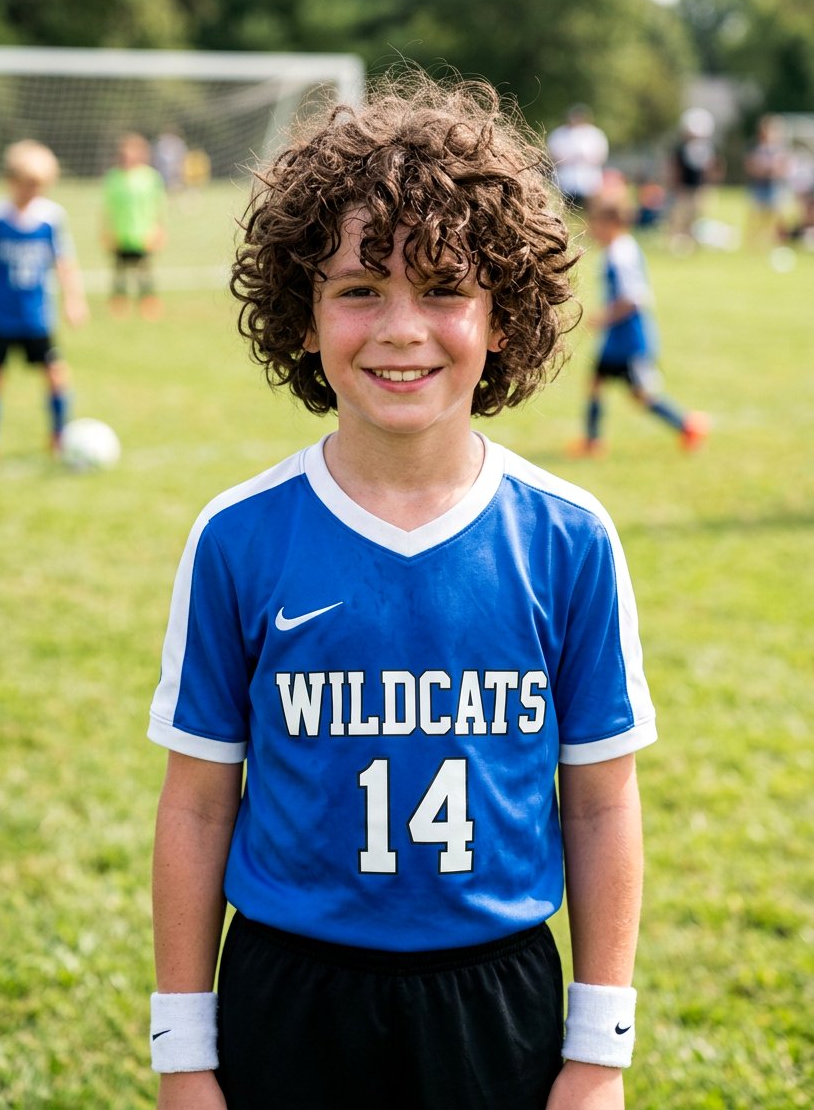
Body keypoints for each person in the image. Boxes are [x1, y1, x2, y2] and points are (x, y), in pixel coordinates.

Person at [148, 73, 658, 1110]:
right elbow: (198, 806)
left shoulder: (566, 538)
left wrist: (598, 1050)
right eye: (356, 290)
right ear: (300, 316)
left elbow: (600, 802)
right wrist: (182, 1051)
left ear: (502, 316)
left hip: (495, 993)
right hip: (287, 988)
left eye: (441, 290)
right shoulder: (237, 538)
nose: (399, 328)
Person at [0, 139, 88, 469]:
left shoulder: (51, 219)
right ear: (11, 181)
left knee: (55, 374)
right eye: (28, 185)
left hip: (37, 317)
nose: (33, 192)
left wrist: (73, 301)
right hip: (2, 317)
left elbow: (64, 264)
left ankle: (60, 437)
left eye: (40, 186)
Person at [570, 190, 710, 457]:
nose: (594, 230)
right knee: (595, 384)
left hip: (629, 340)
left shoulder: (621, 254)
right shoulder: (617, 250)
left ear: (612, 223)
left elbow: (633, 298)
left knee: (643, 396)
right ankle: (591, 443)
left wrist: (604, 318)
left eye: (597, 223)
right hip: (615, 340)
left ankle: (688, 426)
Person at [102, 133, 166, 318]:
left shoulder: (151, 178)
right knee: (120, 271)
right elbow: (108, 209)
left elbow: (158, 207)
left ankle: (148, 304)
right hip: (121, 233)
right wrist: (107, 231)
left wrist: (159, 231)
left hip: (143, 233)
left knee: (144, 271)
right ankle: (119, 305)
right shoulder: (113, 177)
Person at [667, 108, 719, 252]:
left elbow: (712, 167)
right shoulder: (681, 148)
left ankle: (693, 243)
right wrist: (675, 186)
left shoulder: (707, 148)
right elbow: (675, 168)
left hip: (699, 187)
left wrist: (709, 185)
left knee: (696, 218)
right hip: (684, 187)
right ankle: (676, 242)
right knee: (679, 217)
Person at [546, 104, 609, 208]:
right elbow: (552, 156)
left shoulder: (595, 134)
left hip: (589, 178)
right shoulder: (558, 134)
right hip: (565, 179)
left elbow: (601, 156)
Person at [744, 115, 789, 247]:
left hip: (774, 185)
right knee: (756, 214)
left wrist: (775, 171)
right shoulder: (755, 148)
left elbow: (785, 167)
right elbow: (750, 165)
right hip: (759, 185)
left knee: (775, 215)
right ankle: (753, 241)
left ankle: (773, 241)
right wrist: (761, 171)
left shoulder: (779, 149)